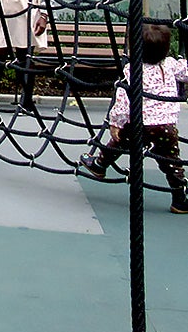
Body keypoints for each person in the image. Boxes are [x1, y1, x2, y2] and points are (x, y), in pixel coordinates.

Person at [79, 24, 188, 214]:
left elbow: (122, 99)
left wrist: (116, 123)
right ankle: (179, 199)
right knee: (171, 161)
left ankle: (99, 165)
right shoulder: (170, 64)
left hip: (139, 123)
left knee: (119, 142)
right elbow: (186, 72)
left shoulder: (132, 69)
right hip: (166, 126)